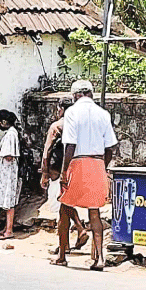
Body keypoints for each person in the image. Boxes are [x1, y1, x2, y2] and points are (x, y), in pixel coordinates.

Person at [52, 80, 117, 270]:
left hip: (78, 162)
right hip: (97, 163)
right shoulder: (103, 113)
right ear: (91, 94)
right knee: (94, 212)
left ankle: (62, 256)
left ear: (75, 95)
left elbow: (70, 144)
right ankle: (100, 258)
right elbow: (110, 147)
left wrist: (65, 171)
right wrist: (102, 167)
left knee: (65, 209)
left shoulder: (72, 112)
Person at [40, 97, 89, 255]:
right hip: (77, 168)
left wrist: (44, 173)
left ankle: (71, 238)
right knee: (65, 205)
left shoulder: (57, 126)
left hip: (58, 171)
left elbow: (47, 151)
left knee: (62, 206)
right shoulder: (80, 126)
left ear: (60, 109)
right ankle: (67, 241)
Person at [0, 110, 21, 240]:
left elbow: (9, 155)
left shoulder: (11, 134)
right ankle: (6, 227)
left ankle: (9, 230)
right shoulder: (10, 134)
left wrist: (1, 152)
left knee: (8, 200)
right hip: (6, 170)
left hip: (8, 171)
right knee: (6, 199)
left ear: (4, 122)